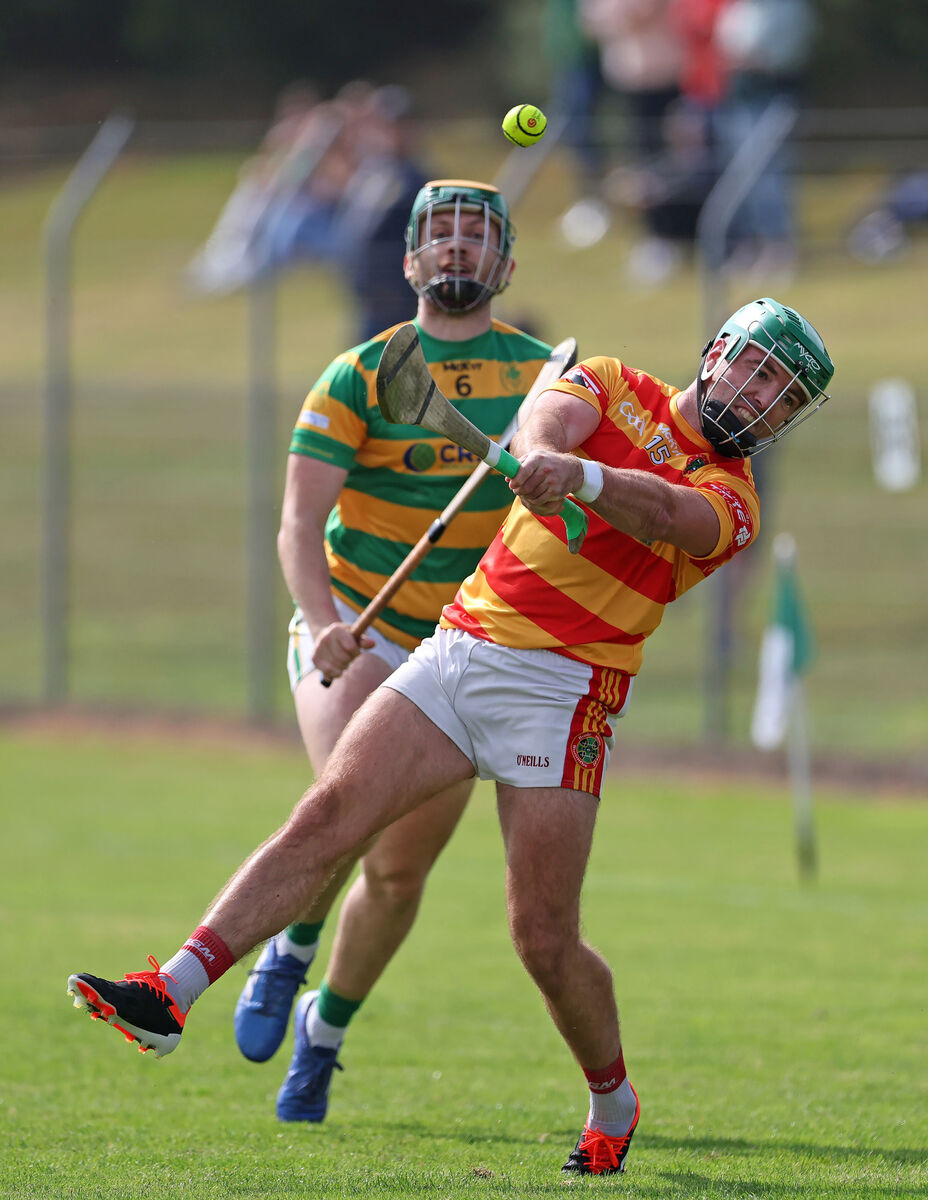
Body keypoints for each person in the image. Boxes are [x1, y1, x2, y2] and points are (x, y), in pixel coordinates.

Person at [67, 297, 835, 1177]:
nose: (762, 397)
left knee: (542, 939)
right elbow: (551, 412)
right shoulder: (617, 384)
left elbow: (666, 515)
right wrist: (542, 452)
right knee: (329, 815)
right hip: (462, 648)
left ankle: (612, 1101)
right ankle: (171, 991)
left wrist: (581, 480)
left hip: (567, 693)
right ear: (718, 351)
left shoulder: (735, 500)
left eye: (783, 395)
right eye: (758, 370)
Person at [242, 177, 552, 1122]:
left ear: (505, 263)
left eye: (476, 236)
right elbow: (300, 524)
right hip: (356, 622)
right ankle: (288, 946)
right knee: (350, 804)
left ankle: (323, 1031)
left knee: (397, 872)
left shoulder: (542, 377)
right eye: (441, 235)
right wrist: (320, 619)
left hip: (463, 650)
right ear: (412, 259)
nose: (458, 248)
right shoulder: (361, 374)